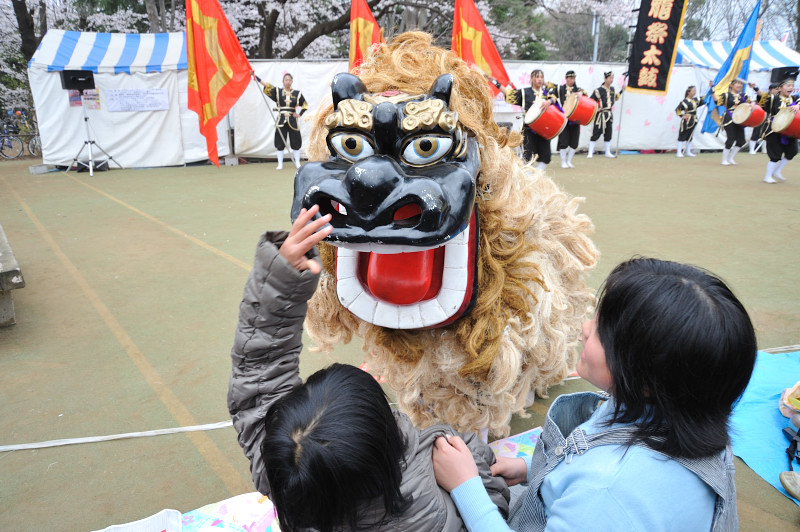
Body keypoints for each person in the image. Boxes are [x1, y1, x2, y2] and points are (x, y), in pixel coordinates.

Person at [227, 204, 510, 532]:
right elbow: (492, 508)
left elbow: (258, 373)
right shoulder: (428, 505)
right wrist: (468, 476)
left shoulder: (283, 473)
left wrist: (282, 279)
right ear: (390, 433)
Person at [432, 257, 757, 531]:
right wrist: (531, 469)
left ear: (643, 379)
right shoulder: (690, 412)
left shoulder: (606, 492)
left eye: (603, 331)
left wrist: (466, 487)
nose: (587, 328)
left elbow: (600, 497)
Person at [496, 70, 559, 170]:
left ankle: (537, 175)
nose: (539, 79)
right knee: (527, 155)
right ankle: (528, 178)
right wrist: (496, 82)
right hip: (529, 128)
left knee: (546, 155)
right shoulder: (525, 92)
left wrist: (549, 101)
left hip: (544, 128)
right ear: (531, 79)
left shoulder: (547, 92)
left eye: (541, 77)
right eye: (537, 77)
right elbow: (509, 94)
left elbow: (554, 95)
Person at [256, 72, 308, 170]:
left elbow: (305, 105)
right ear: (283, 81)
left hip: (293, 120)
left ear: (292, 81)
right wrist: (255, 77)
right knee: (280, 141)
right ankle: (280, 164)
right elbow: (267, 86)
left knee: (296, 141)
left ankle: (297, 163)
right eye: (286, 80)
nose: (288, 82)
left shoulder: (297, 93)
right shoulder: (278, 92)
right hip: (281, 120)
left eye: (289, 80)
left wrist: (299, 114)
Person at [759, 78, 799, 184]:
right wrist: (756, 90)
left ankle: (777, 171)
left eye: (792, 85)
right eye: (788, 86)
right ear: (780, 88)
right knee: (775, 154)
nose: (791, 87)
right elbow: (762, 103)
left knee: (792, 151)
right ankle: (767, 176)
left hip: (790, 130)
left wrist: (798, 105)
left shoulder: (795, 99)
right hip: (774, 129)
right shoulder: (773, 99)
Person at [588, 71, 623, 158]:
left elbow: (614, 98)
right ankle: (590, 152)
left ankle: (607, 152)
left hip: (609, 114)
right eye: (610, 78)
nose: (611, 80)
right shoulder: (598, 90)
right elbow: (591, 102)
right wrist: (596, 109)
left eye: (612, 78)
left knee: (608, 133)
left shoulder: (612, 89)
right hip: (601, 115)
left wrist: (622, 90)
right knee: (596, 133)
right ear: (605, 79)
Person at [716, 79, 750, 166]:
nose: (739, 85)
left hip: (740, 119)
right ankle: (724, 159)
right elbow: (717, 102)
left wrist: (752, 104)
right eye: (737, 83)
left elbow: (751, 103)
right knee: (731, 138)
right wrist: (712, 92)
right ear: (731, 85)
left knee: (741, 141)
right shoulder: (726, 95)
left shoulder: (743, 95)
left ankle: (730, 158)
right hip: (729, 118)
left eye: (740, 83)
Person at [556, 71, 584, 168]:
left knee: (574, 141)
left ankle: (569, 161)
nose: (572, 80)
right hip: (564, 119)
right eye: (570, 78)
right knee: (563, 140)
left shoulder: (578, 89)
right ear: (566, 78)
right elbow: (551, 92)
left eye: (573, 78)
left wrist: (581, 93)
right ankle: (563, 161)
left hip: (575, 119)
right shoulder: (561, 89)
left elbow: (585, 95)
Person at [748, 82, 778, 154]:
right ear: (770, 90)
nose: (777, 90)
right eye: (775, 89)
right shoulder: (766, 96)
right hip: (762, 115)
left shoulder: (779, 98)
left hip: (773, 117)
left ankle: (765, 149)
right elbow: (759, 92)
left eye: (778, 89)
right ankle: (751, 149)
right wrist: (755, 87)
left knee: (768, 133)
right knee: (757, 131)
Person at [674, 85, 702, 157]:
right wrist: (681, 115)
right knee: (682, 135)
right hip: (687, 120)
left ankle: (688, 151)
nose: (694, 92)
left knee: (690, 136)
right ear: (688, 92)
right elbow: (677, 109)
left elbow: (703, 99)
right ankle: (679, 152)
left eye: (695, 91)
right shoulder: (684, 102)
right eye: (693, 91)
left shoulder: (695, 100)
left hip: (694, 120)